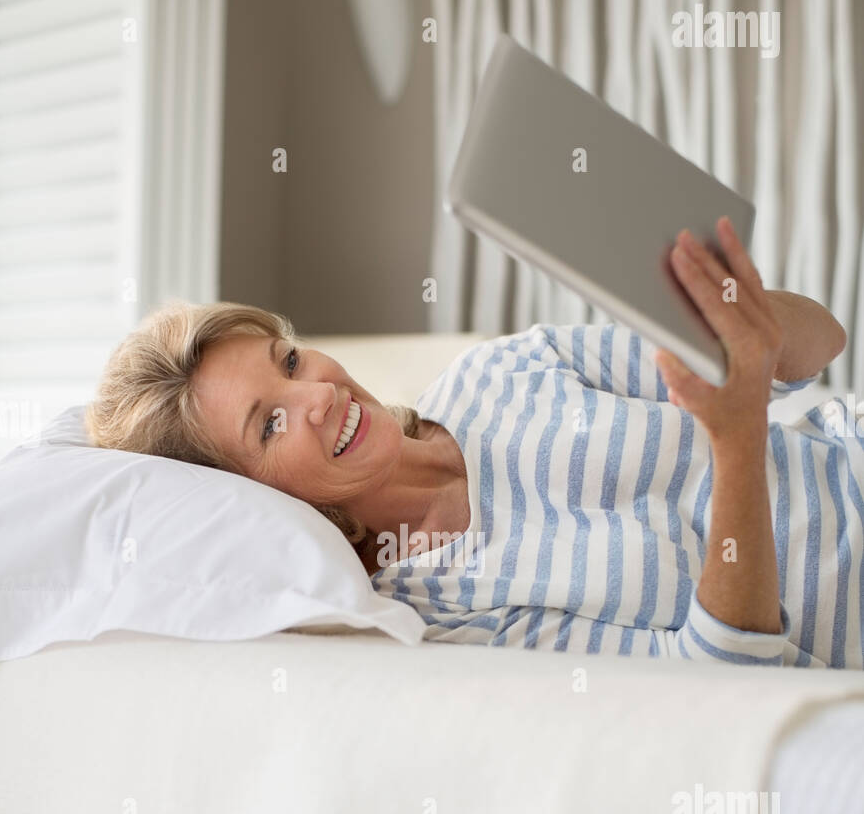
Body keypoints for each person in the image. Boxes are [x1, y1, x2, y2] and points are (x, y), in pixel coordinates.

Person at [87, 218, 856, 667]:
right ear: (248, 498)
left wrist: (728, 314)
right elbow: (724, 673)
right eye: (270, 423)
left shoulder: (500, 370)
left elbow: (820, 345)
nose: (319, 393)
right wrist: (737, 437)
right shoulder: (441, 608)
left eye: (288, 362)